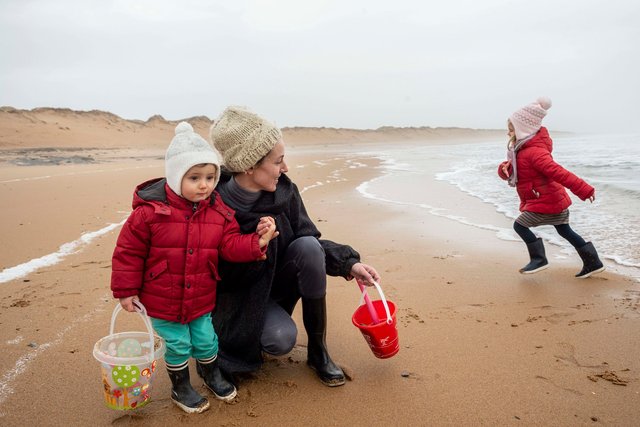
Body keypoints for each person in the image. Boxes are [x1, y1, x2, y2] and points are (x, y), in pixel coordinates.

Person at [208, 106, 381, 387]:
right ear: (250, 165)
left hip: (276, 287)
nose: (285, 168)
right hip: (236, 302)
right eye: (278, 162)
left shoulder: (285, 193)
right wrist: (256, 245)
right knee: (280, 339)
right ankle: (224, 343)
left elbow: (309, 240)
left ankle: (318, 350)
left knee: (308, 246)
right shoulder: (211, 203)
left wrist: (349, 263)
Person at [111, 122, 278, 413]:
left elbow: (229, 245)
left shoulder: (219, 212)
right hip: (161, 297)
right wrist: (126, 291)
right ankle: (181, 387)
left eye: (211, 177)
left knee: (205, 338)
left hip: (200, 296)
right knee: (177, 343)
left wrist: (256, 242)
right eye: (195, 178)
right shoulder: (149, 215)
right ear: (176, 178)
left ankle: (211, 373)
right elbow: (128, 253)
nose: (205, 185)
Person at [498, 97, 605, 278]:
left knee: (520, 226)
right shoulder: (521, 150)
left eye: (511, 129)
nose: (509, 133)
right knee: (564, 230)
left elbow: (559, 172)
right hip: (551, 199)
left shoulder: (534, 152)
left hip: (547, 200)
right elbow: (516, 174)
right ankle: (593, 262)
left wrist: (584, 189)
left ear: (523, 129)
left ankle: (539, 259)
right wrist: (504, 170)